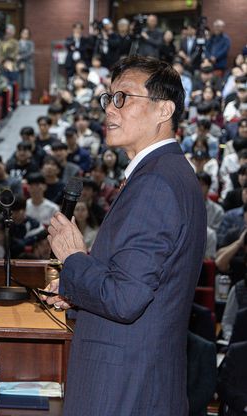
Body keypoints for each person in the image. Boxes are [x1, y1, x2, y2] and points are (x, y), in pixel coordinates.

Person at [43, 56, 206, 415]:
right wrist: (76, 289)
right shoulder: (166, 173)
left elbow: (126, 298)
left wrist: (73, 258)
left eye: (124, 98)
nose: (109, 110)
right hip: (136, 382)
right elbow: (139, 285)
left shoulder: (156, 184)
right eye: (108, 98)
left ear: (164, 110)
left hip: (122, 390)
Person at [17, 28, 35, 105]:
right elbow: (15, 53)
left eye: (26, 33)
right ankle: (20, 99)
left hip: (28, 64)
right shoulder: (17, 43)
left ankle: (27, 98)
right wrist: (19, 59)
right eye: (23, 32)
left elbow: (30, 53)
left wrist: (21, 57)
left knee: (27, 82)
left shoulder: (30, 43)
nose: (25, 34)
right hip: (18, 64)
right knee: (20, 81)